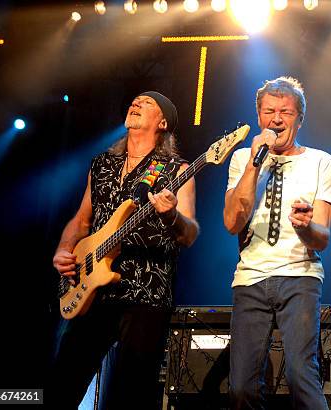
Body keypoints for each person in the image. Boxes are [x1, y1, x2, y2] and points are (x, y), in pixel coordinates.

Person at [48, 91, 199, 409]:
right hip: (92, 292)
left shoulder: (176, 170)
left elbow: (189, 234)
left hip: (146, 294)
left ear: (162, 122)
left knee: (130, 394)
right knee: (62, 384)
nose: (136, 103)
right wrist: (64, 249)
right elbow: (81, 220)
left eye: (147, 103)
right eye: (134, 101)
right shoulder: (102, 164)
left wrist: (171, 215)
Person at [223, 76, 331, 409]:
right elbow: (232, 222)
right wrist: (254, 162)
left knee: (301, 374)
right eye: (269, 111)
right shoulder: (240, 160)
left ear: (299, 119)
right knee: (241, 388)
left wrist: (304, 227)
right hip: (250, 279)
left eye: (286, 112)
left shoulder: (321, 161)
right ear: (259, 117)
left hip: (300, 277)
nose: (276, 119)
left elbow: (322, 240)